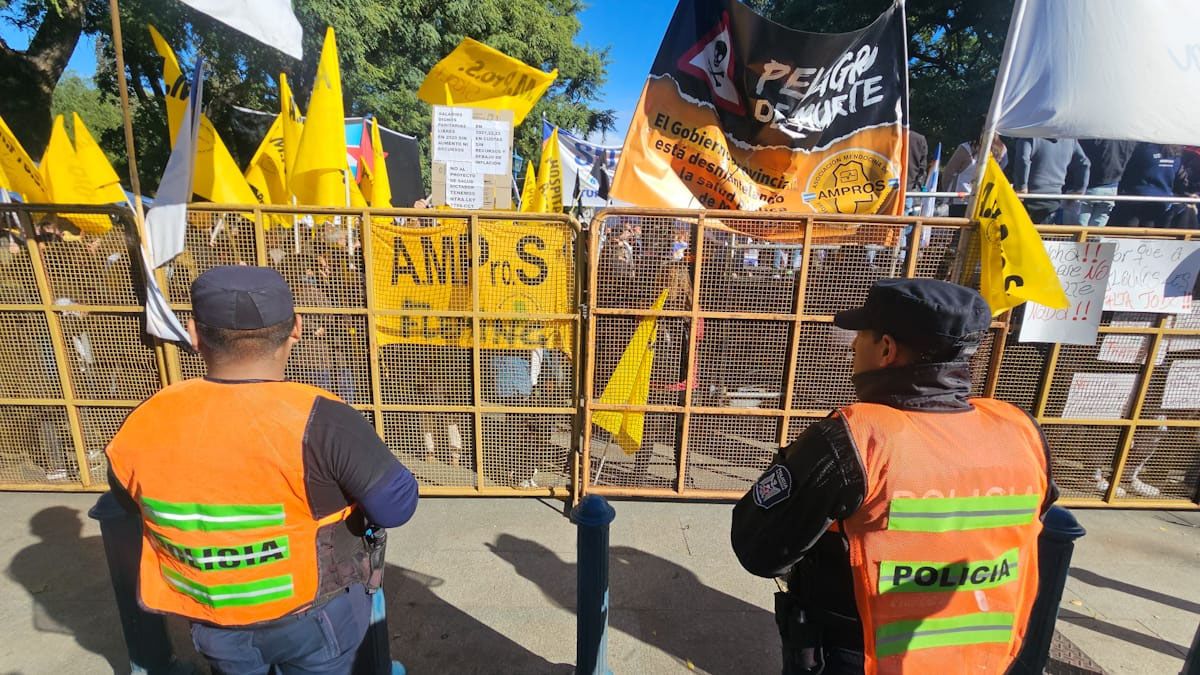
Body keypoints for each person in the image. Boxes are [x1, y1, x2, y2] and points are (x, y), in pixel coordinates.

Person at [731, 279, 1058, 675]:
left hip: (858, 655)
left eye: (862, 336)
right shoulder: (1021, 430)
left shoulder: (857, 437)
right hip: (981, 658)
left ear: (886, 350)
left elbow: (760, 549)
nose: (853, 346)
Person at [106, 266, 419, 674]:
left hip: (212, 619)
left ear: (194, 333)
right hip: (316, 617)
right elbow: (396, 506)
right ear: (296, 329)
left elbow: (127, 502)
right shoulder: (324, 420)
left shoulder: (145, 421)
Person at [1010, 137, 1091, 224]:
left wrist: (1022, 186)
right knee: (1044, 235)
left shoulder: (1029, 136)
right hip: (1054, 199)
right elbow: (1084, 163)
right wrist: (1079, 190)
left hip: (1027, 199)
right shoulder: (1070, 140)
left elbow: (1023, 159)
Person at [1109, 143, 1185, 228]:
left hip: (1136, 197)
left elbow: (1129, 171)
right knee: (1148, 230)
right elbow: (1179, 177)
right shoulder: (1176, 155)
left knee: (1129, 230)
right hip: (1161, 200)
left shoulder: (1144, 149)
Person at [1066, 139, 1137, 226]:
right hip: (1111, 187)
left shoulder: (1091, 135)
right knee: (1095, 233)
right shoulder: (1128, 139)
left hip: (1084, 187)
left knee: (1075, 231)